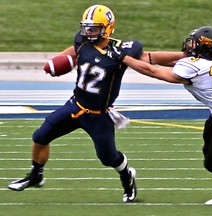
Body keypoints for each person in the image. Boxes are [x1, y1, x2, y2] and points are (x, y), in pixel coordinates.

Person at [8, 5, 186, 203]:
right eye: (86, 27)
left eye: (94, 28)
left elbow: (149, 59)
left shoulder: (121, 51)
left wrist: (181, 57)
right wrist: (58, 62)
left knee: (108, 158)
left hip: (99, 114)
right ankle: (36, 175)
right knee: (41, 136)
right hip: (75, 105)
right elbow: (71, 52)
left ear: (107, 28)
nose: (88, 32)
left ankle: (127, 174)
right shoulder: (83, 42)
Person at [106, 25, 212, 204]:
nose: (191, 44)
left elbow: (153, 71)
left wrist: (123, 58)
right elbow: (163, 60)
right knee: (210, 153)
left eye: (195, 43)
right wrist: (136, 55)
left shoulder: (195, 67)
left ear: (205, 49)